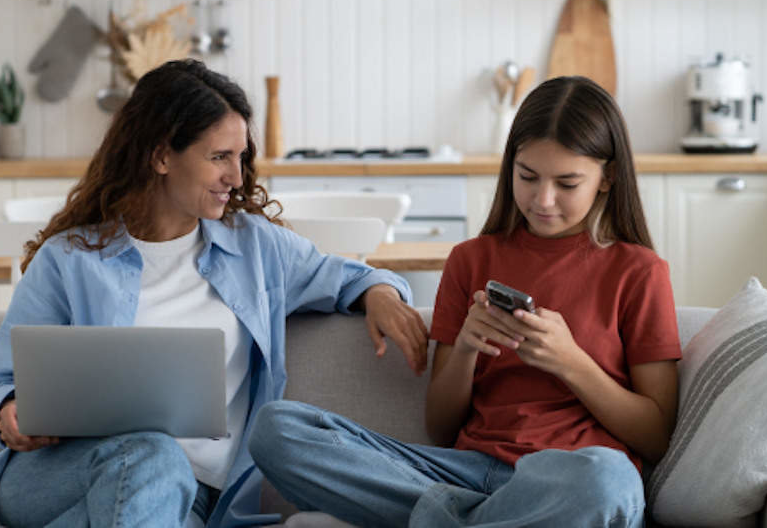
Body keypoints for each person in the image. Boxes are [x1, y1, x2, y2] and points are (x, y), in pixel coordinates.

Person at [0, 58, 429, 528]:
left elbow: (345, 275)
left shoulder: (256, 249)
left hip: (194, 498)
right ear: (161, 156)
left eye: (240, 158)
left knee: (159, 477)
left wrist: (382, 293)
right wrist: (11, 413)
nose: (237, 177)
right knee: (155, 453)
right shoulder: (68, 259)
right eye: (219, 157)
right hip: (62, 475)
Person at [249, 76, 683, 528]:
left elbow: (655, 437)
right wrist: (468, 349)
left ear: (607, 178)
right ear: (510, 166)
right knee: (277, 430)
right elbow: (440, 427)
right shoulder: (472, 259)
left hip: (567, 479)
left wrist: (571, 361)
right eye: (528, 176)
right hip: (464, 474)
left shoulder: (639, 271)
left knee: (610, 482)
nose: (543, 199)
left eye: (567, 183)